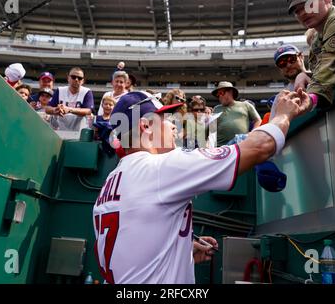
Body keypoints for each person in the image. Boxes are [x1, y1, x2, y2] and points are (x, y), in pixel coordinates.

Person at [92, 89, 303, 284]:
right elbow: (260, 147)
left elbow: (131, 246)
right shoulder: (159, 168)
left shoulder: (111, 181)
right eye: (165, 119)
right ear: (145, 126)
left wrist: (181, 250)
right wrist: (282, 115)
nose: (174, 124)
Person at [212, 81, 262, 146]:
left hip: (241, 144)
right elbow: (211, 129)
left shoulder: (246, 105)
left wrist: (252, 133)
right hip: (221, 147)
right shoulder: (216, 108)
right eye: (218, 95)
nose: (220, 97)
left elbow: (258, 120)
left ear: (230, 92)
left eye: (221, 93)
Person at [45, 67, 94, 131]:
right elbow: (47, 109)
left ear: (83, 81)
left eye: (79, 78)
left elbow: (88, 111)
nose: (76, 79)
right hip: (60, 130)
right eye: (73, 77)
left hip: (79, 132)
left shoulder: (87, 91)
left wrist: (69, 110)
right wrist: (55, 110)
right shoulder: (60, 90)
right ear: (68, 78)